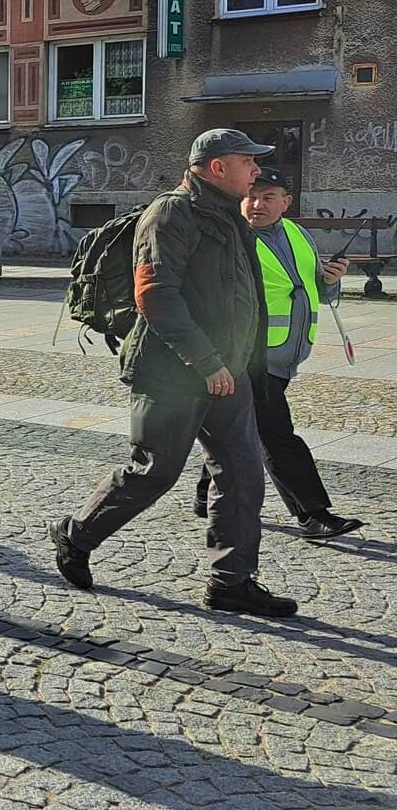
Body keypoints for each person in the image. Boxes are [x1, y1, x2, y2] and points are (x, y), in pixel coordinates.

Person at [50, 129, 298, 617]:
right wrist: (205, 362)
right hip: (171, 370)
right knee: (155, 471)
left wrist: (246, 365)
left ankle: (231, 582)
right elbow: (155, 294)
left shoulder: (230, 216)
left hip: (228, 373)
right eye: (247, 162)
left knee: (243, 474)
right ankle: (76, 534)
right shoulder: (170, 212)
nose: (255, 171)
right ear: (215, 166)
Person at [190, 168, 364, 540]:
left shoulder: (297, 234)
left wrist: (330, 281)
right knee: (277, 435)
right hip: (247, 356)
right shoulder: (232, 237)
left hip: (285, 355)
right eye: (251, 195)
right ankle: (312, 514)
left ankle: (206, 493)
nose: (257, 204)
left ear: (286, 203)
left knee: (240, 428)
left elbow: (314, 291)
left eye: (268, 197)